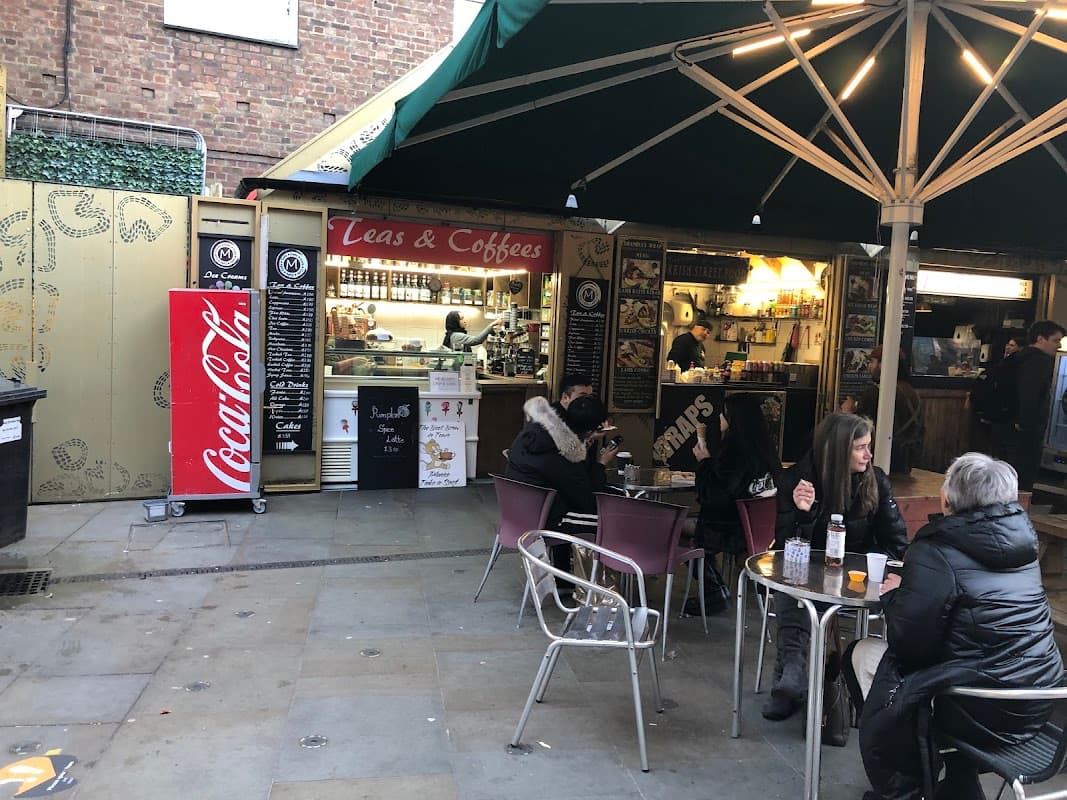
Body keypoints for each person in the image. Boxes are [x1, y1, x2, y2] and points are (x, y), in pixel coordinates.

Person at [844, 453, 1062, 800]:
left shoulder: (936, 550)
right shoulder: (1023, 546)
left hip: (979, 711)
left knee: (865, 655)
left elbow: (908, 646)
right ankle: (961, 781)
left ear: (948, 498)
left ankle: (906, 786)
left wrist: (894, 596)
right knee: (963, 662)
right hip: (1036, 702)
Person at [763, 412, 908, 721]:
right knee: (793, 588)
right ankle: (792, 670)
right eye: (860, 447)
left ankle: (793, 677)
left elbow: (896, 543)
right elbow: (785, 547)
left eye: (868, 446)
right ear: (838, 449)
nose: (868, 455)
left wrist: (860, 564)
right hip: (807, 573)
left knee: (802, 596)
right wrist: (804, 515)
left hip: (857, 578)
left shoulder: (876, 481)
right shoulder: (795, 481)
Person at [686, 393, 781, 614]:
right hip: (762, 531)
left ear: (734, 419)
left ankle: (714, 590)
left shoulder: (734, 450)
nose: (719, 417)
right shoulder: (766, 449)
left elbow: (716, 496)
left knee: (680, 530)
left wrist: (705, 462)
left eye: (724, 414)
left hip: (731, 528)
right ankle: (718, 589)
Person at [504, 394, 618, 538]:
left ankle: (565, 561)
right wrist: (601, 463)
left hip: (516, 512)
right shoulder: (566, 454)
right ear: (590, 430)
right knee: (617, 522)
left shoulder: (536, 430)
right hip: (546, 520)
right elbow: (584, 500)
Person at [1000, 320, 1065, 490]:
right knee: (1023, 478)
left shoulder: (1019, 357)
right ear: (1040, 339)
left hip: (1006, 424)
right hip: (1026, 431)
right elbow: (1030, 395)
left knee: (1008, 475)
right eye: (1055, 340)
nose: (1058, 346)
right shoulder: (1039, 362)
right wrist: (1028, 425)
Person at [841, 345, 924, 474]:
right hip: (906, 461)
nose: (869, 366)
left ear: (882, 364)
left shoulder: (875, 392)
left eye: (872, 362)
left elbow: (859, 428)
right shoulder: (913, 393)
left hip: (878, 458)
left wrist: (848, 411)